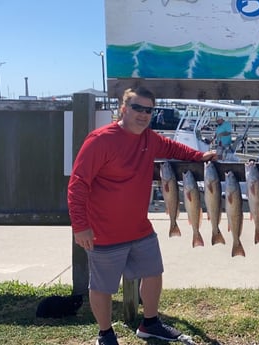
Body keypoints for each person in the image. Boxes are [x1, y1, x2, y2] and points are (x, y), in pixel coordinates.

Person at [68, 87, 217, 345]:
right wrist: (81, 226)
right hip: (103, 231)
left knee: (153, 273)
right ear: (123, 109)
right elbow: (78, 184)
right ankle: (105, 334)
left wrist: (199, 156)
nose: (144, 114)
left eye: (149, 110)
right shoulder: (100, 140)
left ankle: (150, 323)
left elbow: (172, 148)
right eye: (138, 108)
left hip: (140, 228)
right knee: (102, 286)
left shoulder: (149, 138)